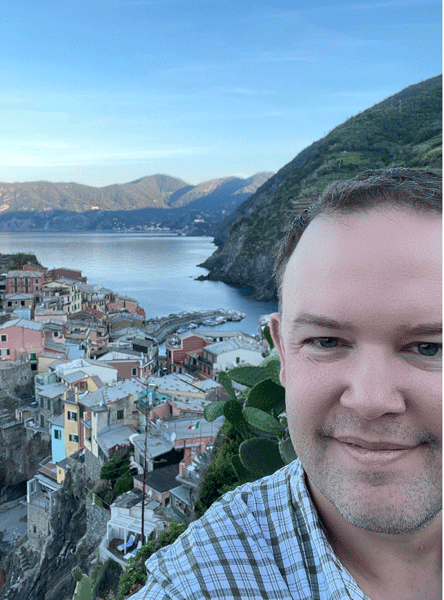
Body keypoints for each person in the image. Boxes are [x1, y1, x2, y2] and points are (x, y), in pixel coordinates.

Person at [130, 168, 441, 600]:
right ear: (281, 349)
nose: (370, 400)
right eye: (326, 341)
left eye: (429, 348)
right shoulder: (200, 584)